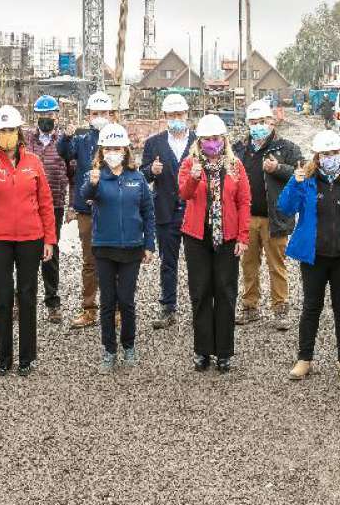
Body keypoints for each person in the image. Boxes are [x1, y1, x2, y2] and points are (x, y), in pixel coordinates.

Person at [279, 130, 340, 385]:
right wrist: (294, 182)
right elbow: (285, 208)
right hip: (315, 258)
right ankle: (304, 359)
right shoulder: (306, 182)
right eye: (325, 154)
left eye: (334, 153)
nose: (330, 157)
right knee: (311, 307)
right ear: (317, 157)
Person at [0, 105, 56, 376]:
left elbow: (45, 201)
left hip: (30, 237)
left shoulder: (33, 162)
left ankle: (27, 356)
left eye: (11, 130)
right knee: (3, 297)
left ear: (18, 132)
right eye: (2, 131)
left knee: (28, 295)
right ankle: (3, 357)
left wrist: (49, 239)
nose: (7, 135)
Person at [81, 123, 156, 372]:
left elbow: (148, 211)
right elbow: (84, 196)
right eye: (108, 148)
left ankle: (129, 346)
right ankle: (109, 350)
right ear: (102, 151)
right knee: (108, 302)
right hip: (104, 247)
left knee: (126, 300)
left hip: (132, 248)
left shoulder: (137, 177)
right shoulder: (95, 175)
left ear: (125, 150)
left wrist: (149, 244)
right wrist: (92, 184)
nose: (113, 152)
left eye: (117, 148)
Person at [178, 114, 251, 372]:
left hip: (227, 238)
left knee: (225, 293)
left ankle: (224, 352)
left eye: (216, 138)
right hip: (197, 238)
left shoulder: (235, 166)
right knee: (200, 294)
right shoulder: (189, 164)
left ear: (224, 139)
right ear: (200, 141)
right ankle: (202, 351)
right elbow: (184, 194)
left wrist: (243, 236)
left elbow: (244, 202)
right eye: (207, 139)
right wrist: (194, 177)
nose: (212, 143)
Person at [232, 99, 303, 330]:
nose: (258, 126)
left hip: (276, 218)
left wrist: (279, 169)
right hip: (247, 218)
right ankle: (250, 306)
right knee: (248, 264)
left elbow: (303, 174)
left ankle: (280, 308)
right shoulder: (240, 149)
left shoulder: (287, 148)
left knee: (277, 265)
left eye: (262, 121)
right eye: (253, 122)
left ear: (272, 122)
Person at [59, 91, 114, 328]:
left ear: (110, 114)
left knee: (115, 261)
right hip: (87, 210)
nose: (99, 117)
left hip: (113, 208)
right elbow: (64, 152)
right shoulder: (81, 141)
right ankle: (89, 309)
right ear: (88, 115)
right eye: (95, 113)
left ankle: (117, 309)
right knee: (90, 262)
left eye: (103, 113)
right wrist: (66, 137)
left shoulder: (117, 140)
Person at [140, 92, 195, 329]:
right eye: (172, 115)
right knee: (168, 263)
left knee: (197, 263)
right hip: (166, 212)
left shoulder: (198, 142)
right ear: (164, 116)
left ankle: (199, 307)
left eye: (180, 114)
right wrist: (152, 170)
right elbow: (141, 174)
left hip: (193, 212)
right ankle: (168, 308)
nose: (176, 118)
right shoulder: (154, 144)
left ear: (187, 115)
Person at [24, 94, 72, 324]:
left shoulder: (63, 142)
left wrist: (72, 203)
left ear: (56, 116)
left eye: (50, 115)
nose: (46, 119)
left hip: (54, 204)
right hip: (27, 205)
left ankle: (53, 302)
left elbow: (72, 171)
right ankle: (22, 300)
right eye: (42, 115)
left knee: (50, 252)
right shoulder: (26, 140)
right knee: (25, 253)